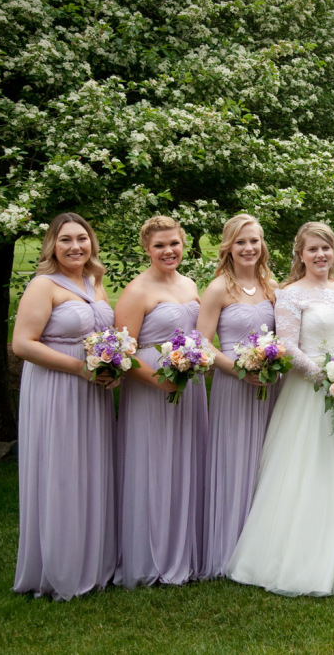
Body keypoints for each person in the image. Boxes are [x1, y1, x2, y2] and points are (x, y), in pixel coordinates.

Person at [226, 221, 334, 596]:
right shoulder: (289, 294)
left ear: (333, 251)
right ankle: (300, 555)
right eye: (313, 250)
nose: (320, 255)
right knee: (310, 470)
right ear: (301, 255)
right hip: (310, 395)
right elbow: (288, 346)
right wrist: (328, 379)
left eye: (326, 248)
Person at [12, 212, 117, 600]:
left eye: (82, 239)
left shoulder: (94, 280)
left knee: (91, 470)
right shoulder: (43, 285)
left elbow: (103, 336)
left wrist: (113, 365)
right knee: (61, 472)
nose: (75, 246)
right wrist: (80, 369)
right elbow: (23, 344)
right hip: (57, 388)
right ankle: (58, 568)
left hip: (93, 391)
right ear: (52, 245)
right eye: (66, 240)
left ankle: (92, 563)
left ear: (91, 242)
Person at [113, 216, 208, 587]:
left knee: (186, 463)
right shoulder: (137, 291)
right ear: (147, 249)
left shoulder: (190, 283)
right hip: (152, 387)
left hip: (189, 385)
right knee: (153, 466)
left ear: (183, 244)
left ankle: (186, 552)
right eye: (159, 246)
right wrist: (160, 382)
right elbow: (121, 353)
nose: (168, 251)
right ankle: (150, 559)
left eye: (174, 244)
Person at [197, 215, 279, 579]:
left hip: (270, 385)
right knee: (235, 460)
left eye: (255, 241)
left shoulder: (271, 285)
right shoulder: (218, 288)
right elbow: (201, 343)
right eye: (241, 241)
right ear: (228, 245)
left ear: (263, 245)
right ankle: (229, 549)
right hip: (234, 385)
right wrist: (240, 370)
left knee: (269, 460)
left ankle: (266, 547)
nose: (249, 248)